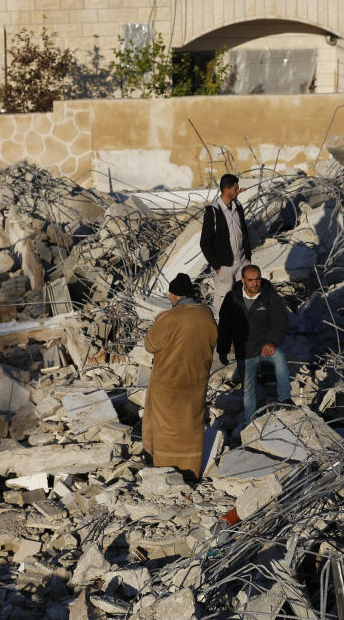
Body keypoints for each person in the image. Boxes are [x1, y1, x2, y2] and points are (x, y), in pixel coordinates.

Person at [142, 273, 218, 480]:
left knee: (165, 427)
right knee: (190, 424)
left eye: (171, 294)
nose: (169, 297)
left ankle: (164, 469)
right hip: (196, 380)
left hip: (168, 382)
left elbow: (150, 345)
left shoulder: (169, 317)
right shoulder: (206, 314)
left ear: (176, 295)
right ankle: (190, 470)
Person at [217, 264, 292, 430]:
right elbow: (224, 326)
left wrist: (272, 341)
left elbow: (280, 322)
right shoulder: (232, 298)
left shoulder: (269, 295)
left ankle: (285, 398)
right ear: (243, 280)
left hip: (266, 347)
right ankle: (249, 421)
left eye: (257, 279)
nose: (255, 283)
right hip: (246, 351)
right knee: (248, 387)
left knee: (280, 358)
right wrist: (222, 350)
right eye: (250, 280)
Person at [200, 173, 252, 320]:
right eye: (235, 189)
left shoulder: (238, 206)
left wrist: (248, 258)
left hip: (242, 262)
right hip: (225, 266)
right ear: (226, 190)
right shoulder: (213, 211)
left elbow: (243, 232)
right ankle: (222, 333)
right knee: (223, 301)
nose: (238, 190)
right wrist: (217, 266)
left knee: (243, 299)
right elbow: (204, 243)